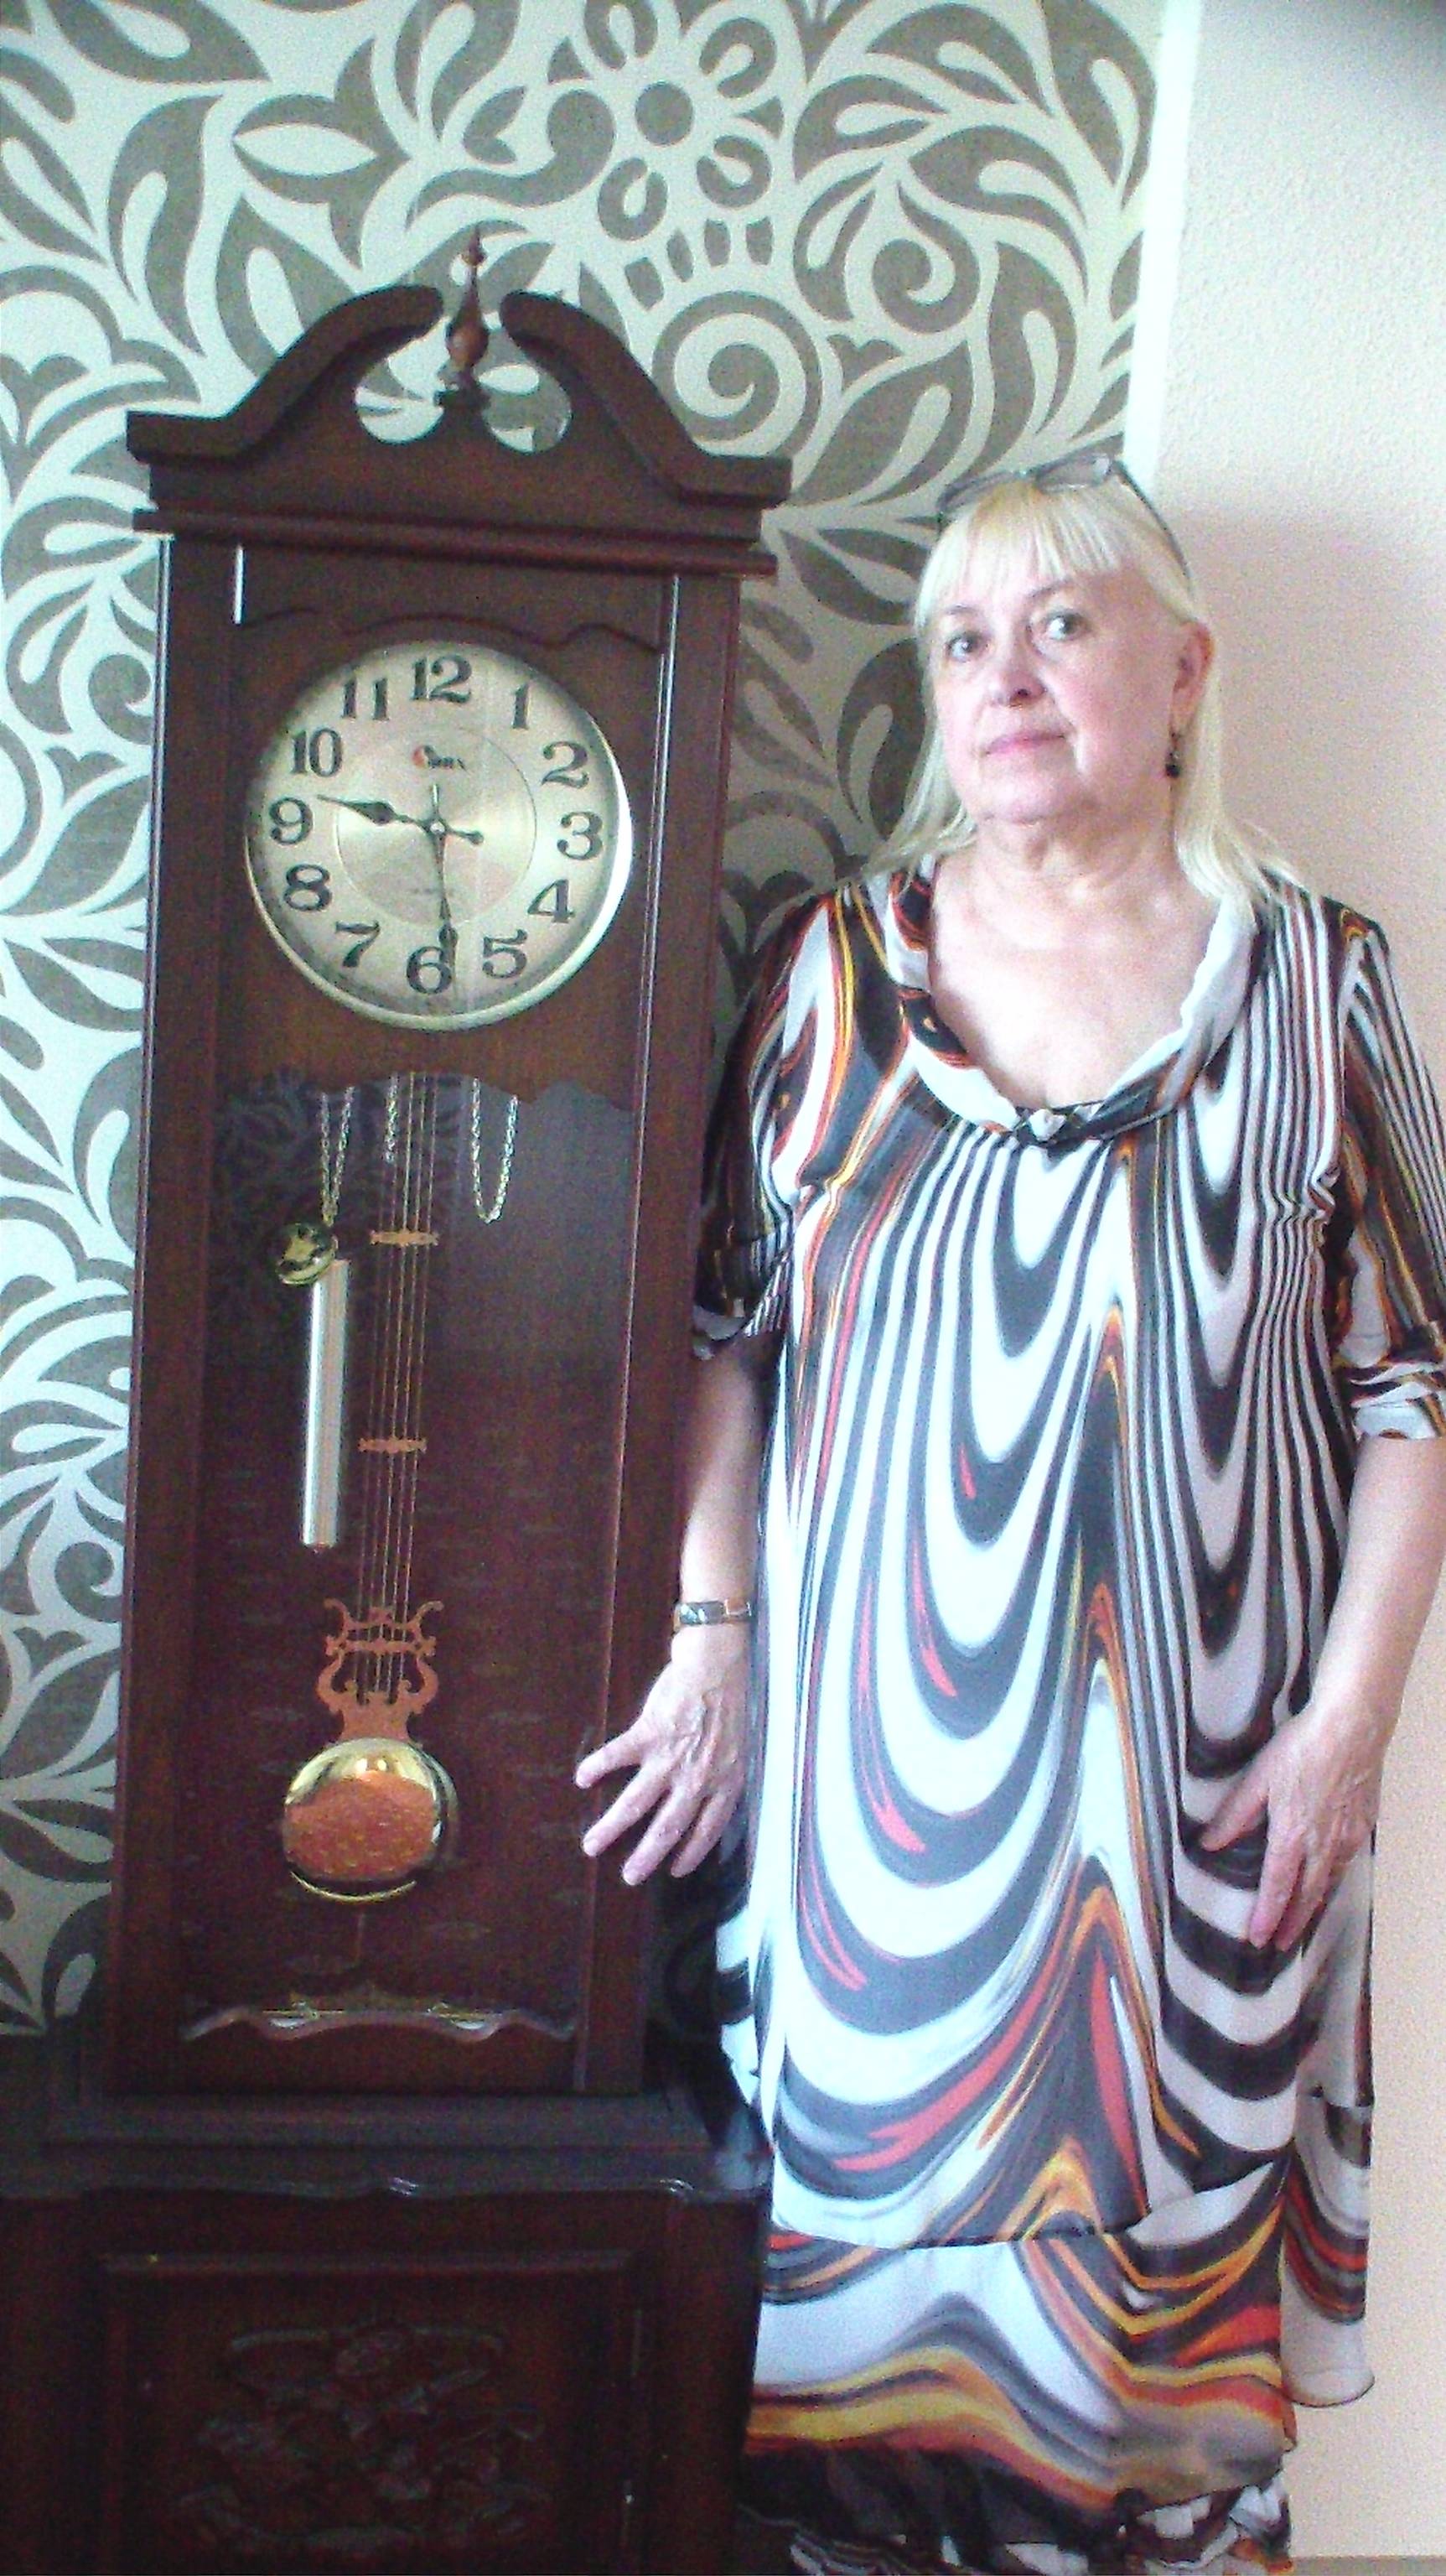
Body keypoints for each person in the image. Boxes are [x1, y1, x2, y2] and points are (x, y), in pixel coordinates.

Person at [575, 453, 1446, 2576]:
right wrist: (711, 1645)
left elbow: (1410, 1390)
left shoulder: (1315, 984)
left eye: (1061, 623)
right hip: (877, 1808)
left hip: (1203, 1801)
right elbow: (721, 1341)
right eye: (963, 639)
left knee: (1153, 2361)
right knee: (870, 2345)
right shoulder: (826, 974)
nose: (1006, 677)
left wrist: (1346, 1731)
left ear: (1182, 670)